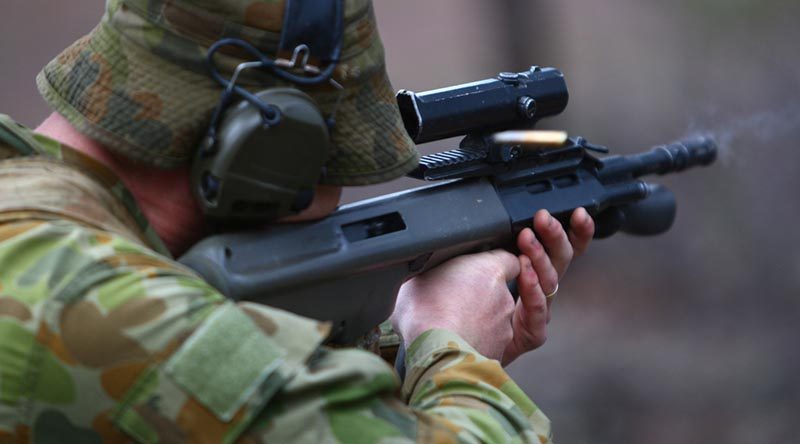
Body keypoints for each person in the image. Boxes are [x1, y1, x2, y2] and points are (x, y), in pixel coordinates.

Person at [0, 0, 594, 442]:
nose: (332, 194)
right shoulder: (93, 306)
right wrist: (454, 348)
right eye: (335, 162)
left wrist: (401, 337)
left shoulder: (36, 222)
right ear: (267, 151)